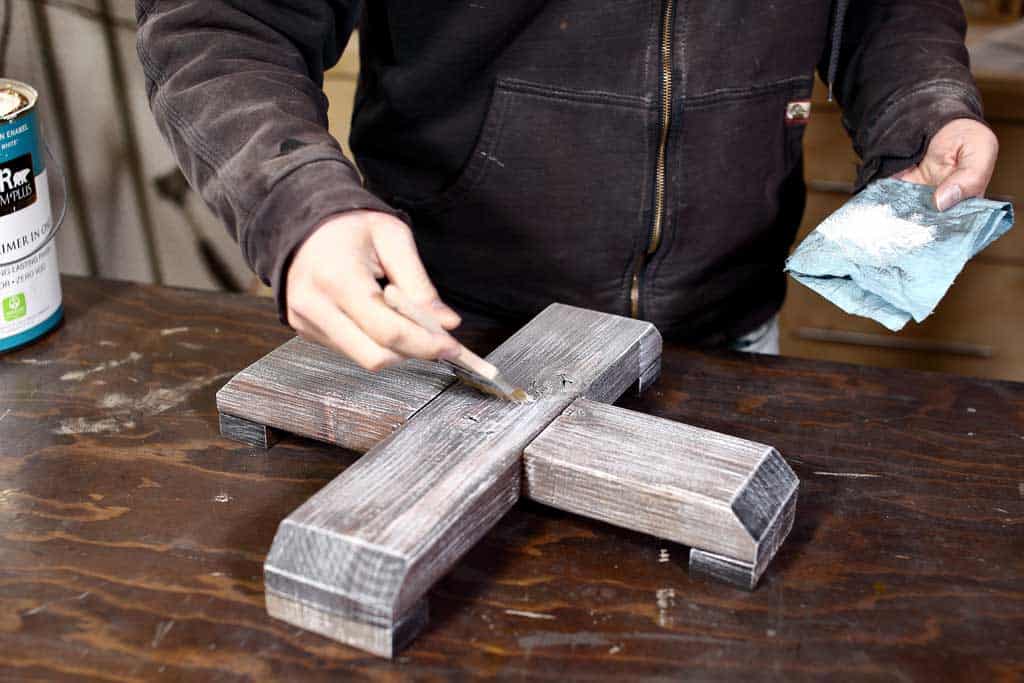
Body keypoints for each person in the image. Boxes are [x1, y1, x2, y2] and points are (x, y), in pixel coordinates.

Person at [136, 1, 998, 369]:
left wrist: (921, 104)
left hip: (726, 336)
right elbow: (225, 19)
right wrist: (297, 201)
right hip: (450, 339)